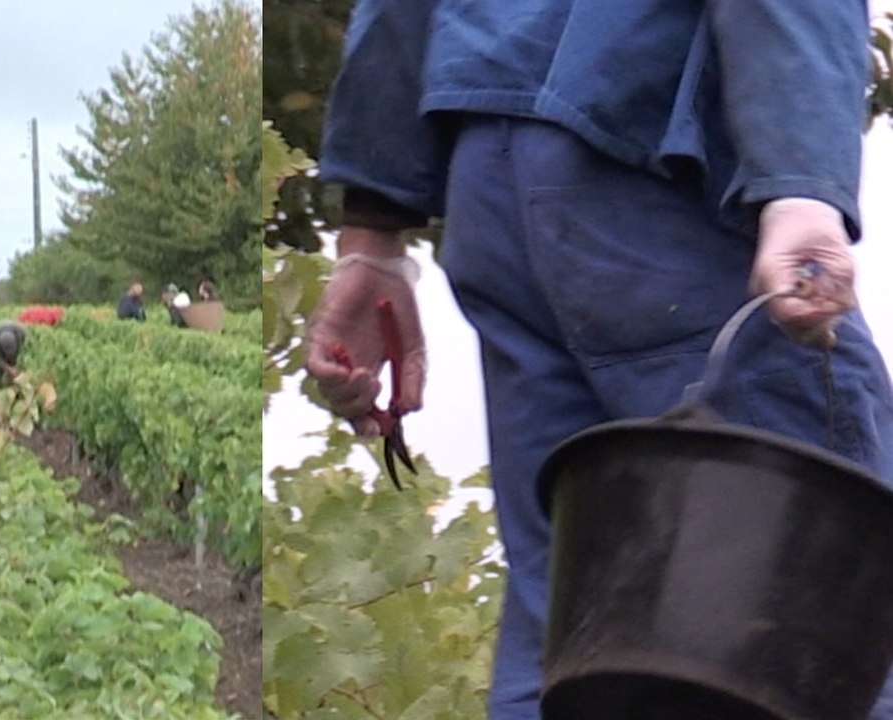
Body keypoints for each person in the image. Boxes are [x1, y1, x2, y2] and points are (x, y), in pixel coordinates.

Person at [305, 3, 893, 718]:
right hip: (657, 163)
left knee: (568, 637)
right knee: (830, 612)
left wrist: (372, 228)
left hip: (492, 180)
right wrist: (801, 181)